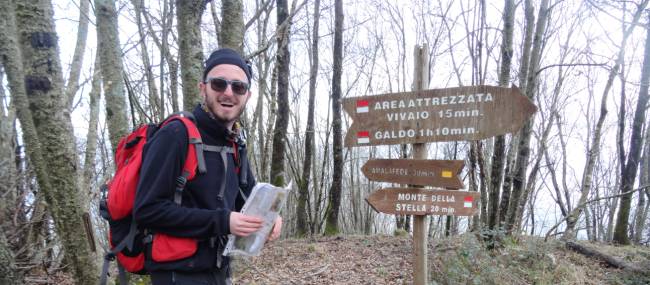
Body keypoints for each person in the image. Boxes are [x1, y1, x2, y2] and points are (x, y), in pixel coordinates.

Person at [134, 48, 282, 285]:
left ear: (247, 95)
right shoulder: (176, 134)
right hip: (176, 274)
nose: (228, 92)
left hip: (218, 270)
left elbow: (246, 201)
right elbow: (147, 211)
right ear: (203, 88)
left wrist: (270, 217)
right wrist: (224, 222)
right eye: (219, 84)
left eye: (238, 87)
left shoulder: (235, 142)